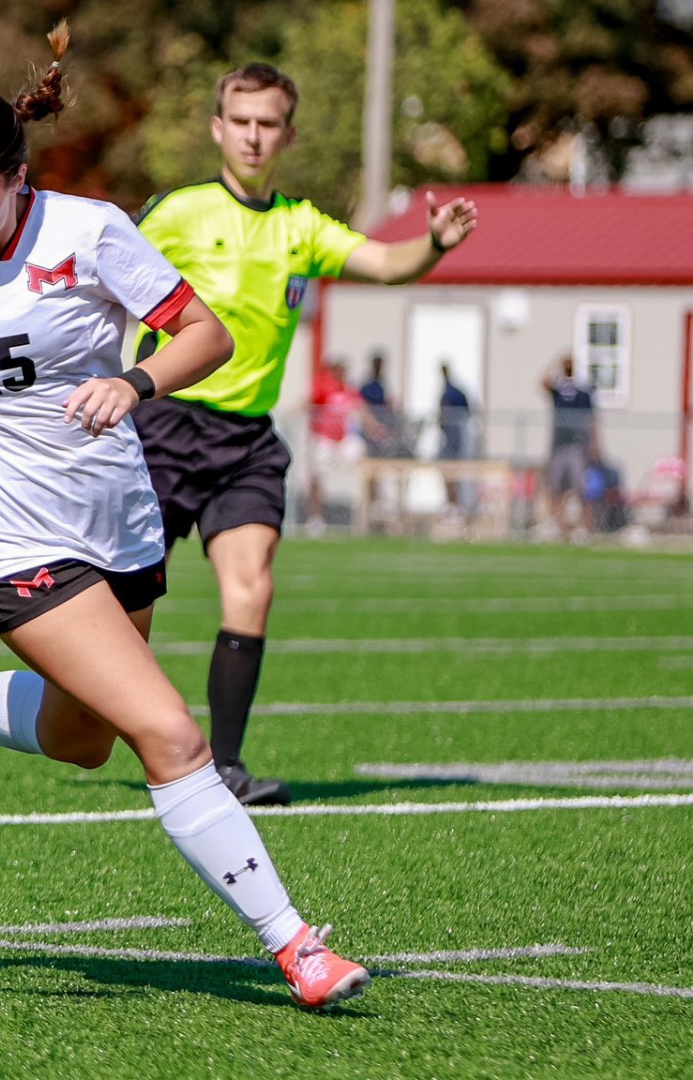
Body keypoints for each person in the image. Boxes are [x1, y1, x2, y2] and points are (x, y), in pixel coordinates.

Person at [0, 29, 369, 1009]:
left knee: (80, 738)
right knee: (171, 739)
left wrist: (134, 382)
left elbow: (204, 335)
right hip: (4, 543)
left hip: (118, 522)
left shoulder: (88, 234)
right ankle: (296, 946)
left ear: (17, 180)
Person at [132, 63, 477, 805]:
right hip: (162, 429)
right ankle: (119, 722)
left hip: (248, 441)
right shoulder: (177, 214)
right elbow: (103, 281)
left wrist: (435, 244)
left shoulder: (300, 225)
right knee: (130, 605)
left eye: (269, 124)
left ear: (288, 133)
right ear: (219, 127)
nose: (255, 136)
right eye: (242, 121)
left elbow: (385, 263)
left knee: (251, 591)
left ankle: (221, 768)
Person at [302, 358, 382, 536]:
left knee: (366, 466)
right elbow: (307, 404)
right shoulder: (324, 388)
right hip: (325, 439)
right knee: (317, 476)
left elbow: (363, 410)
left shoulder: (349, 391)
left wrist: (375, 428)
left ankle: (371, 510)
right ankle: (315, 518)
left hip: (345, 439)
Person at [542, 354, 598, 537]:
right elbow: (543, 381)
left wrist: (595, 446)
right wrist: (555, 364)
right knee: (556, 488)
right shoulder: (559, 390)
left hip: (577, 447)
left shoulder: (582, 392)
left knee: (580, 489)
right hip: (559, 446)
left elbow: (592, 419)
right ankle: (556, 525)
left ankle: (584, 527)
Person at [437, 364, 473, 512]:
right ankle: (451, 503)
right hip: (449, 442)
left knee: (453, 473)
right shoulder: (448, 390)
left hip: (453, 443)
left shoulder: (452, 392)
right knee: (447, 472)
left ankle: (455, 503)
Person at [358, 350, 403, 458]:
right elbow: (363, 400)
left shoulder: (383, 382)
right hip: (371, 419)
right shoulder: (367, 382)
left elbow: (386, 399)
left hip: (382, 418)